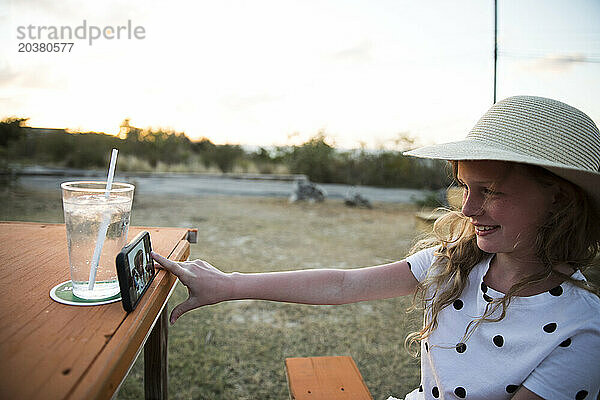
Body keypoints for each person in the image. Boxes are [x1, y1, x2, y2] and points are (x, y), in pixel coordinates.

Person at [152, 96, 600, 400]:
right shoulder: (458, 263)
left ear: (559, 199)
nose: (469, 208)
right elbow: (343, 285)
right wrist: (228, 285)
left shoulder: (583, 332)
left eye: (492, 191)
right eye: (465, 187)